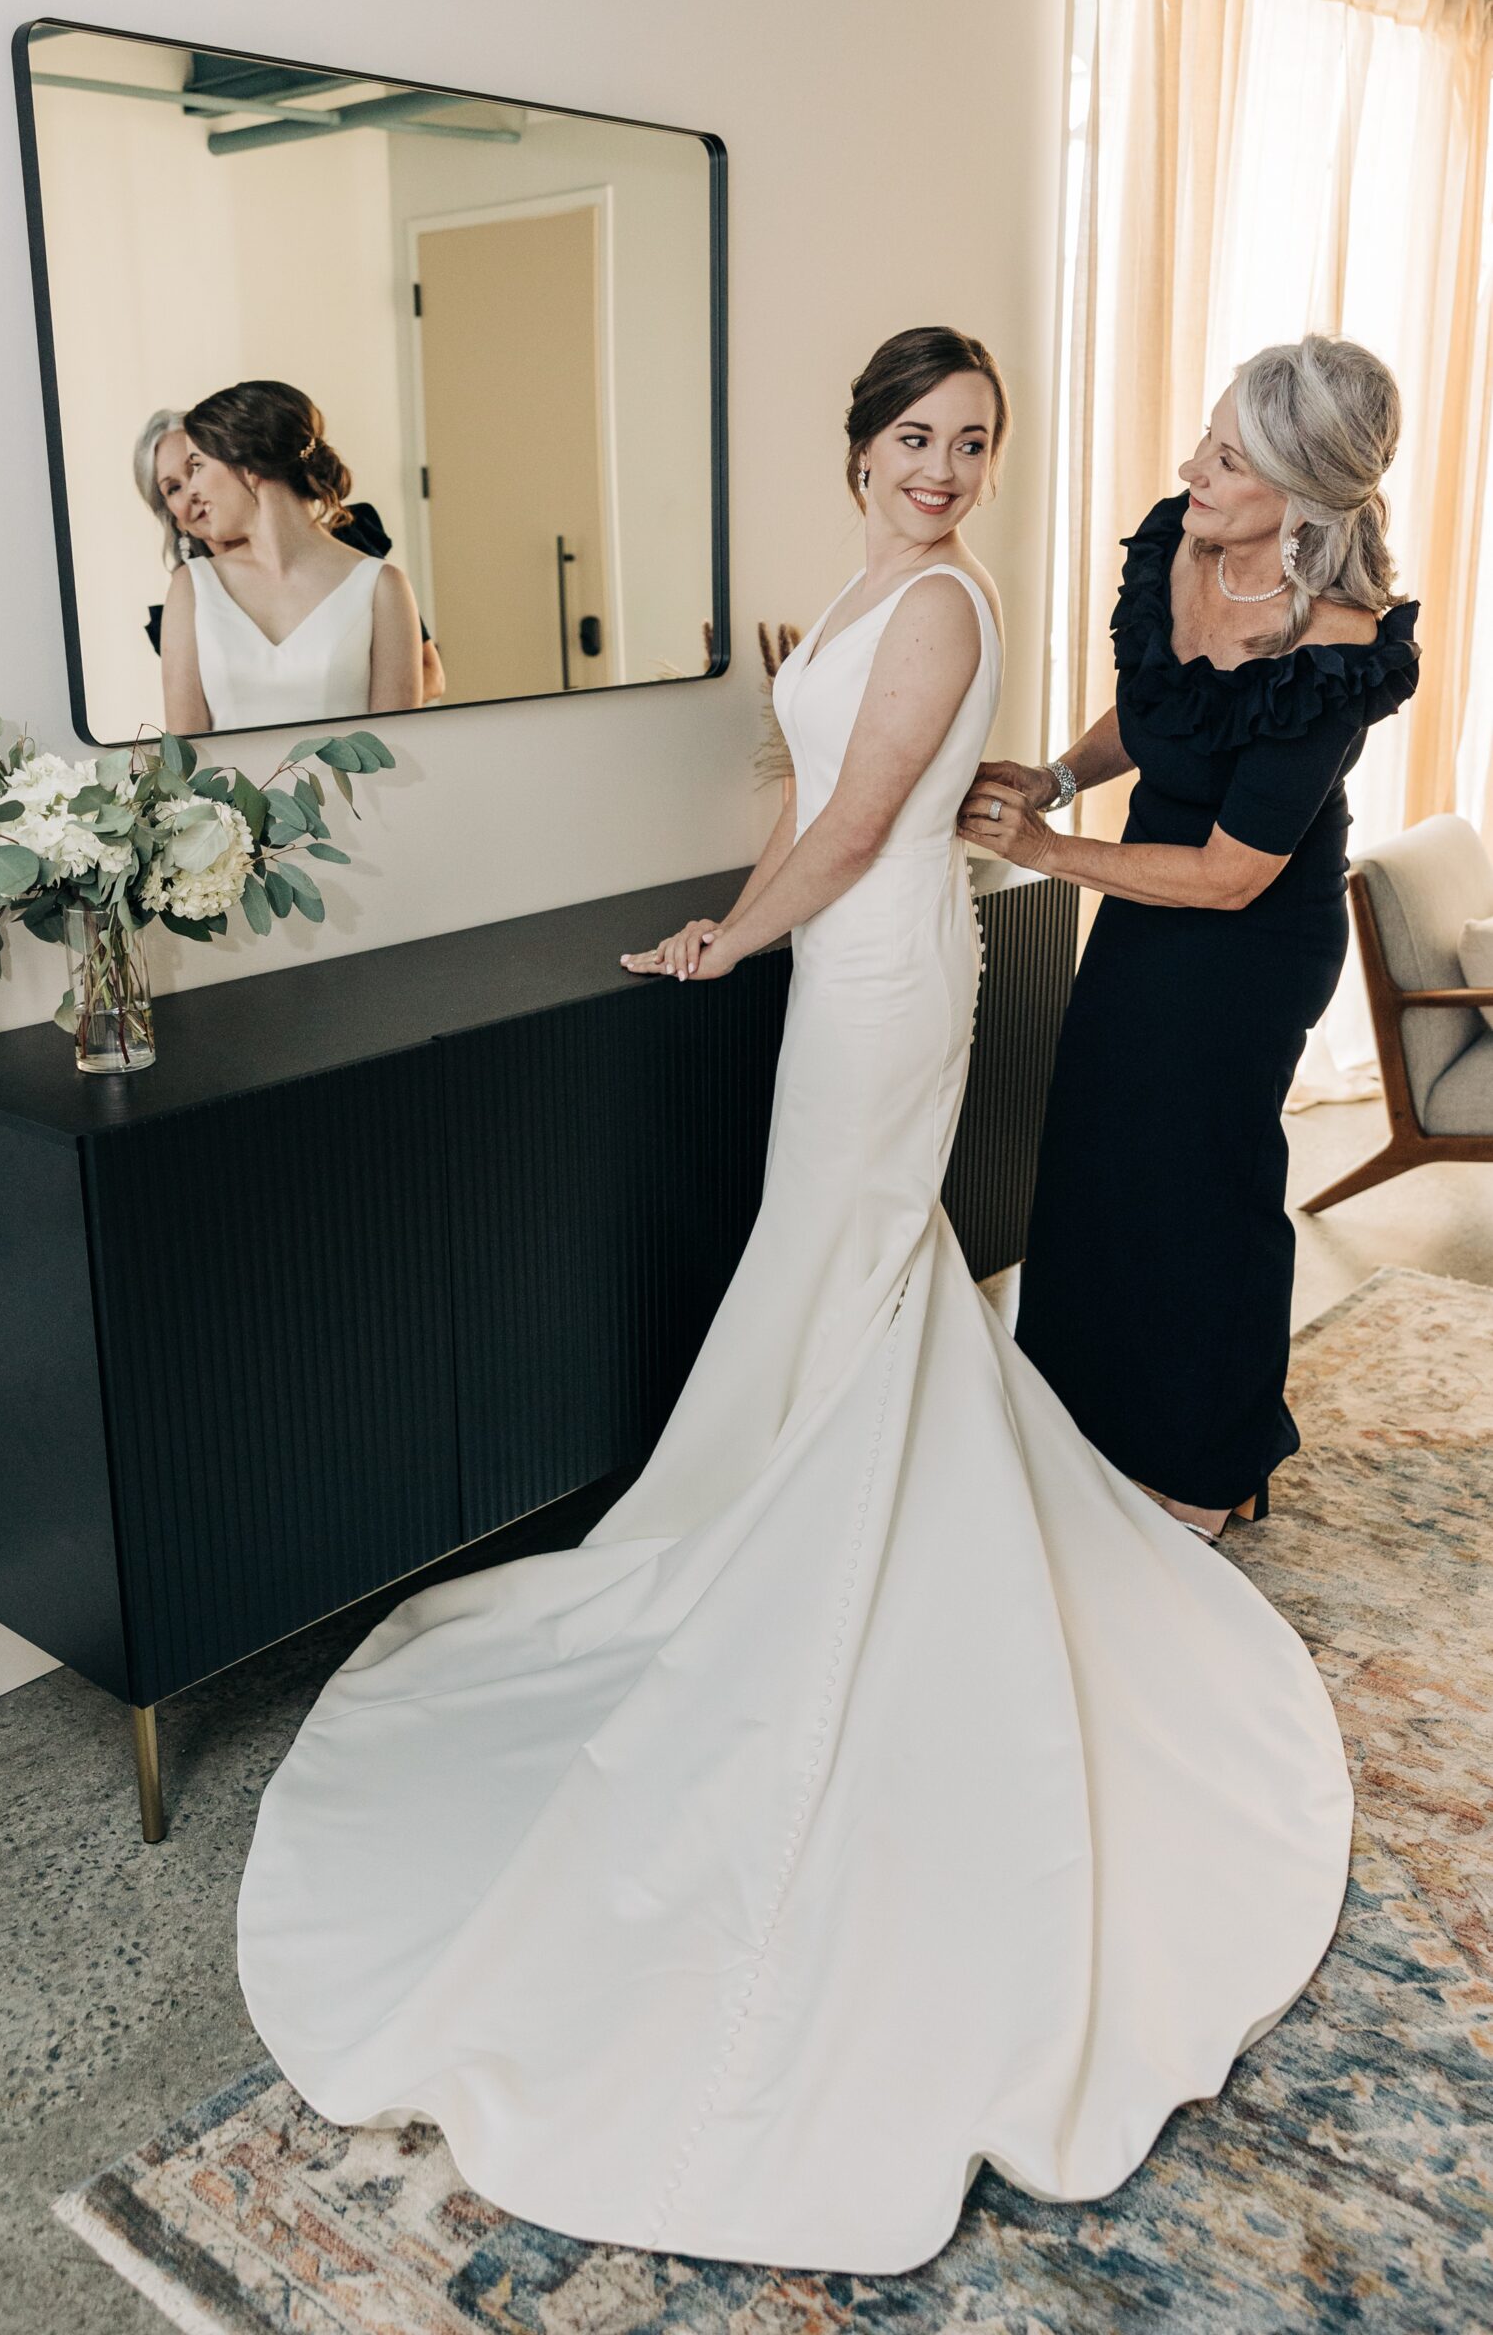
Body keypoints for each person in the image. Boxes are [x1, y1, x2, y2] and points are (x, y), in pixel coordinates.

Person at [237, 328, 1352, 2274]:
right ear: (857, 448)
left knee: (846, 1266)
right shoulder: (854, 590)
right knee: (840, 1273)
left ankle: (839, 1569)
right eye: (916, 436)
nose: (942, 466)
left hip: (886, 971)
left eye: (972, 443)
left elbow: (857, 830)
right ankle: (791, 1513)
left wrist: (730, 930)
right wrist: (736, 909)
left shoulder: (936, 599)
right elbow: (807, 784)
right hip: (839, 970)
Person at [959, 335, 1419, 1542]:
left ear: (1303, 492)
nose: (1191, 470)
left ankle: (1210, 1464)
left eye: (1225, 458)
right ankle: (1087, 1426)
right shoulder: (1186, 539)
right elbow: (1161, 702)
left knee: (1202, 1188)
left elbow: (1230, 876)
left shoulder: (1335, 645)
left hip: (1251, 934)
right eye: (1205, 442)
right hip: (1146, 893)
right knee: (1099, 1156)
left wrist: (1049, 854)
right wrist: (1061, 774)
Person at [147, 384, 427, 730]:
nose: (193, 489)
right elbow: (184, 762)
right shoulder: (191, 588)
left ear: (248, 466)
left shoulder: (383, 587)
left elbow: (395, 750)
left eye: (198, 465)